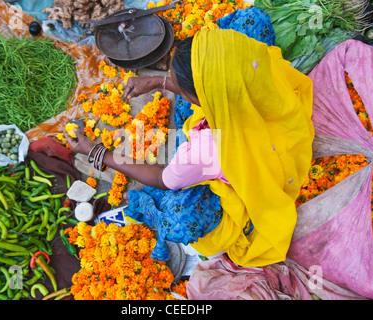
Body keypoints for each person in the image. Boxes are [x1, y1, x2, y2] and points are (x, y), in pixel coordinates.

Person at [65, 8, 314, 266]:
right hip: (272, 137)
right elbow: (206, 86)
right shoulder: (257, 69)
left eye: (180, 87)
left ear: (206, 96)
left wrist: (98, 151)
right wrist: (157, 83)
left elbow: (162, 179)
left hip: (244, 168)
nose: (171, 85)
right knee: (253, 20)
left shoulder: (206, 150)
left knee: (179, 216)